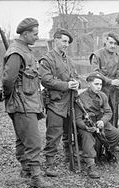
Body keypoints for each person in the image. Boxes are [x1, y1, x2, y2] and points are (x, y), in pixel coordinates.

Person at [2, 18, 54, 188]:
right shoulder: (17, 52)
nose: (37, 37)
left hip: (27, 102)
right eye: (35, 34)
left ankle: (26, 170)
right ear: (25, 34)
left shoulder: (25, 50)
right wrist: (12, 98)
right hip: (22, 104)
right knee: (33, 141)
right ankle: (36, 177)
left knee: (22, 138)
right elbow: (8, 80)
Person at [39, 28, 79, 177]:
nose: (66, 44)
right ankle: (49, 163)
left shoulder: (68, 60)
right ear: (55, 40)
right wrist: (66, 85)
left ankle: (69, 157)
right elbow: (45, 80)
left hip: (70, 102)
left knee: (69, 132)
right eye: (63, 41)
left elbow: (76, 76)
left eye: (68, 42)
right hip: (55, 103)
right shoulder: (47, 59)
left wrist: (76, 83)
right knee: (54, 133)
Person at [75, 72, 119, 179]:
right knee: (88, 137)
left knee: (117, 134)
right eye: (96, 84)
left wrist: (103, 121)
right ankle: (91, 165)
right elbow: (77, 119)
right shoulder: (80, 98)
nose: (99, 87)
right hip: (87, 124)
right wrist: (86, 127)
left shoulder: (103, 96)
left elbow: (108, 112)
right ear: (88, 84)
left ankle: (107, 151)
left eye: (100, 84)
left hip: (100, 122)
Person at [89, 32, 119, 128]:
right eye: (111, 42)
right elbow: (95, 74)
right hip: (100, 92)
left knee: (114, 117)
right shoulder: (97, 55)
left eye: (115, 44)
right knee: (99, 116)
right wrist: (110, 81)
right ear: (105, 42)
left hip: (114, 93)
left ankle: (113, 140)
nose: (113, 46)